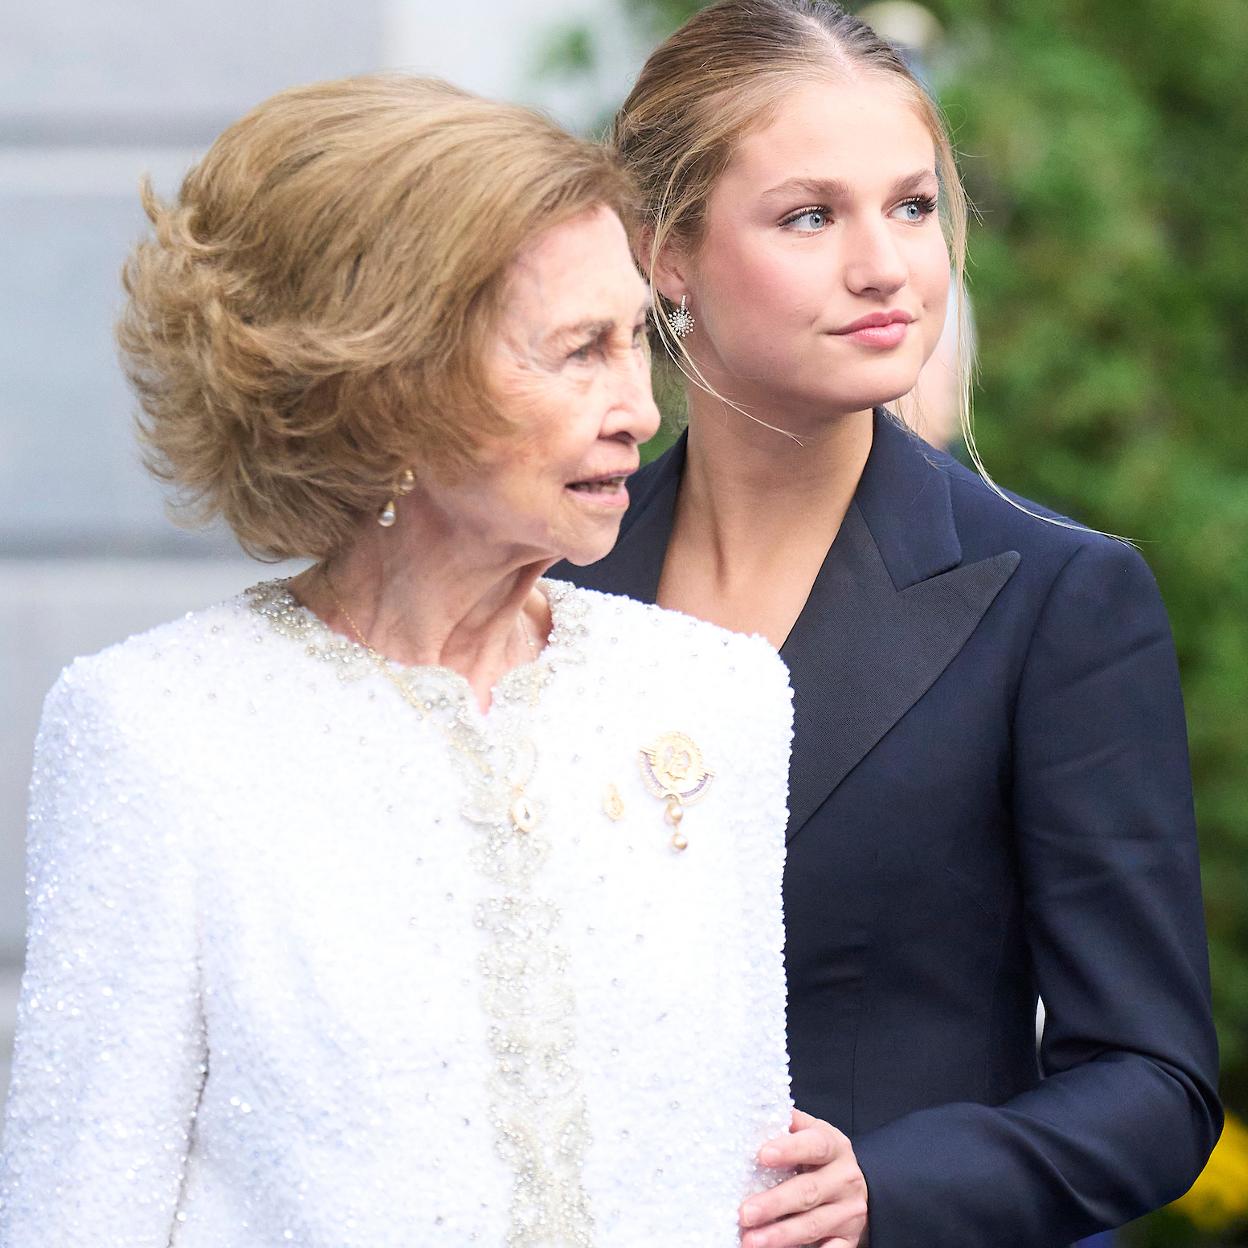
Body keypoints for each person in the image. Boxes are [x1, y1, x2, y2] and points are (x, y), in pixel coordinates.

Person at [0, 75, 802, 1246]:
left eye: (640, 342)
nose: (638, 406)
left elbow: (747, 1154)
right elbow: (81, 1209)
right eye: (579, 350)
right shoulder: (157, 731)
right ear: (391, 384)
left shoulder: (716, 696)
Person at [555, 2, 1223, 1245]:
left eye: (911, 206)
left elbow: (1155, 1085)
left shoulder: (1060, 598)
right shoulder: (548, 584)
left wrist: (893, 1188)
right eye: (812, 216)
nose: (886, 267)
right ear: (666, 256)